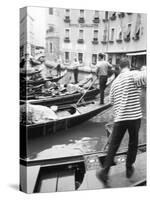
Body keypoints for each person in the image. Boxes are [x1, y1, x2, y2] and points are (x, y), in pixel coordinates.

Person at [96, 57, 146, 187]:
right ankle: (129, 167)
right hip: (134, 116)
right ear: (128, 65)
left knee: (114, 145)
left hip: (119, 118)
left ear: (119, 67)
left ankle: (104, 172)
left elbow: (111, 101)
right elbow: (145, 78)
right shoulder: (133, 74)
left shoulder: (115, 82)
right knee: (133, 142)